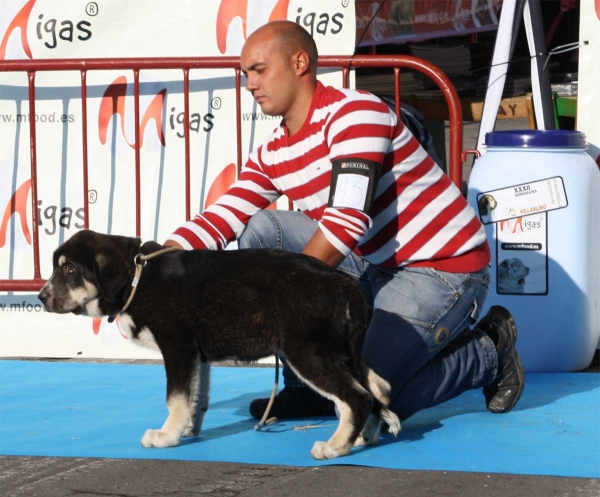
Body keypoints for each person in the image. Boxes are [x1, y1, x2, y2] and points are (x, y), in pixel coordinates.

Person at [165, 20, 525, 422]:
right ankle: (305, 387)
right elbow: (223, 215)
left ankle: (488, 350)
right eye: (245, 73)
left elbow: (345, 223)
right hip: (371, 262)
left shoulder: (357, 113)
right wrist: (151, 262)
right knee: (260, 229)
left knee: (373, 401)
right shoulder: (272, 151)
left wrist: (281, 301)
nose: (249, 84)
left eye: (259, 70)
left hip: (441, 269)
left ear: (300, 62)